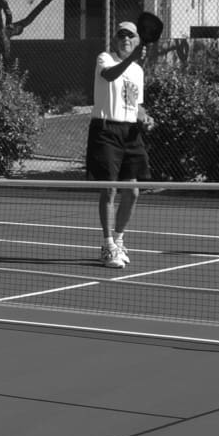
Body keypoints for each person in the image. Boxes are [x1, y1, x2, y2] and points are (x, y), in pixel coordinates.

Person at [88, 20, 151, 267]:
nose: (126, 38)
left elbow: (136, 104)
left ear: (137, 40)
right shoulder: (106, 59)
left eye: (131, 36)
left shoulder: (138, 71)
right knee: (110, 189)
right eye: (121, 35)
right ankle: (107, 246)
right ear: (116, 39)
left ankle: (119, 240)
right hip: (105, 130)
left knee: (133, 192)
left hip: (130, 133)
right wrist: (131, 58)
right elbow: (111, 75)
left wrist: (145, 117)